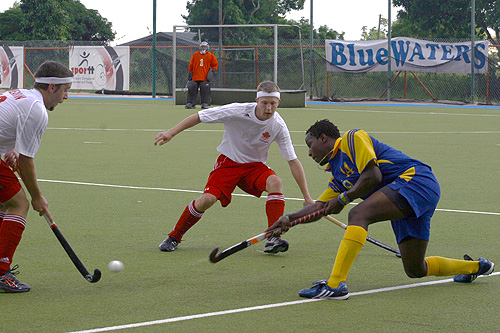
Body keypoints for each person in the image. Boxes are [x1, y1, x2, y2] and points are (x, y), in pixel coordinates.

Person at [268, 119, 494, 300]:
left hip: (416, 181)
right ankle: (475, 266)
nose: (309, 153)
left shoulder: (351, 138)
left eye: (310, 145)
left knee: (358, 213)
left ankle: (335, 285)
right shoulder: (337, 176)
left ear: (323, 138)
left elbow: (372, 176)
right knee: (416, 268)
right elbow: (321, 207)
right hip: (404, 195)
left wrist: (344, 198)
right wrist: (289, 219)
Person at [155, 81, 314, 253]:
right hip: (228, 164)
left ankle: (274, 238)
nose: (268, 108)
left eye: (272, 104)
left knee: (275, 182)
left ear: (278, 103)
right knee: (206, 200)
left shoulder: (278, 125)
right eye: (264, 103)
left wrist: (307, 198)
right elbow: (198, 117)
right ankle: (174, 236)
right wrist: (171, 132)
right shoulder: (236, 110)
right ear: (256, 101)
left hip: (255, 167)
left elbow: (293, 161)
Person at [0, 60, 73, 293]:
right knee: (19, 203)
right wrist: (37, 197)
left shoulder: (22, 94)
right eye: (65, 90)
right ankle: (1, 273)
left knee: (4, 203)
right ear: (52, 87)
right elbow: (26, 161)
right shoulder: (37, 110)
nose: (66, 97)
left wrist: (8, 151)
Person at [185, 41, 219, 109]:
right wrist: (190, 73)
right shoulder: (195, 54)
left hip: (205, 77)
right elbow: (191, 64)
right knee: (192, 88)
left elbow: (215, 64)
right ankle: (190, 103)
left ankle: (205, 103)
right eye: (202, 46)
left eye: (205, 47)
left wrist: (214, 70)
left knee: (205, 90)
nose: (203, 48)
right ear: (200, 47)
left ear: (207, 48)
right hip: (195, 77)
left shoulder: (210, 55)